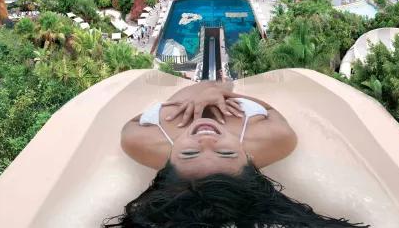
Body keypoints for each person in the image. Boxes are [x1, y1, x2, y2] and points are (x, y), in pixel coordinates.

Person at [105, 82, 367, 228]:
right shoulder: (274, 140)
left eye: (189, 153)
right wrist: (221, 93)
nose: (206, 138)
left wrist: (185, 98)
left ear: (168, 162)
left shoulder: (142, 142)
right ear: (248, 160)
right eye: (226, 152)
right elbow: (270, 108)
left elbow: (133, 121)